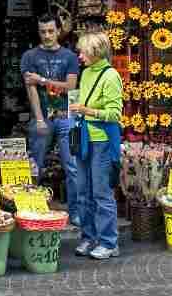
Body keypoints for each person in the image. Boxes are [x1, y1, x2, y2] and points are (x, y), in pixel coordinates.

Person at [21, 14, 81, 226]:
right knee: (35, 164)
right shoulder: (29, 56)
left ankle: (76, 213)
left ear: (58, 31)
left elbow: (71, 86)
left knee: (73, 166)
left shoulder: (70, 57)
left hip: (68, 118)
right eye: (43, 31)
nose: (47, 35)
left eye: (50, 31)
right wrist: (38, 119)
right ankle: (32, 209)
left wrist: (43, 80)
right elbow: (32, 90)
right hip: (43, 117)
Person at [69, 31, 123, 260]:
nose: (79, 56)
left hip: (101, 140)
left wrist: (86, 110)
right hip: (83, 137)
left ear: (94, 51)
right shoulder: (87, 73)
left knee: (101, 192)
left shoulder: (111, 76)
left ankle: (109, 242)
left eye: (83, 51)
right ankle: (89, 236)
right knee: (82, 191)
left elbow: (115, 113)